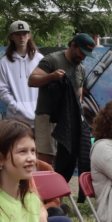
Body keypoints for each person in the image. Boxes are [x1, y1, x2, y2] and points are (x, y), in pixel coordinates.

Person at [27, 33, 95, 176]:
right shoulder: (52, 60)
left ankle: (58, 197)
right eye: (81, 52)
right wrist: (51, 77)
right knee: (45, 158)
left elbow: (79, 95)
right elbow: (32, 81)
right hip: (47, 116)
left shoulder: (80, 69)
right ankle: (42, 195)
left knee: (64, 159)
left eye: (86, 55)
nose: (83, 57)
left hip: (67, 120)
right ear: (72, 46)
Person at [0, 20, 42, 127]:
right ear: (11, 37)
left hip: (38, 117)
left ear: (29, 35)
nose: (21, 37)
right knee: (18, 144)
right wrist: (16, 106)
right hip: (16, 118)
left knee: (38, 144)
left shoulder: (40, 59)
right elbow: (2, 89)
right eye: (17, 34)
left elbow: (46, 85)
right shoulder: (5, 62)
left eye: (24, 34)